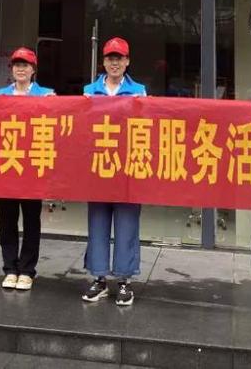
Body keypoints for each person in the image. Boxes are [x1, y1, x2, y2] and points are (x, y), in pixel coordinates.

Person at [81, 37, 147, 307]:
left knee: (126, 224)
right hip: (98, 168)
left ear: (127, 61)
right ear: (104, 62)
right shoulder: (89, 91)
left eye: (119, 58)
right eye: (110, 58)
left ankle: (124, 281)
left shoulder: (139, 91)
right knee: (97, 223)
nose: (115, 63)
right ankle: (99, 278)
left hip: (127, 169)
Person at [0, 47, 55, 291]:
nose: (20, 69)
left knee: (31, 220)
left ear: (33, 70)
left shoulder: (46, 95)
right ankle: (10, 268)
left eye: (25, 65)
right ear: (11, 69)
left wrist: (55, 105)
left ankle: (27, 270)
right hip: (7, 165)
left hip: (33, 167)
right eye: (17, 65)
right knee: (7, 219)